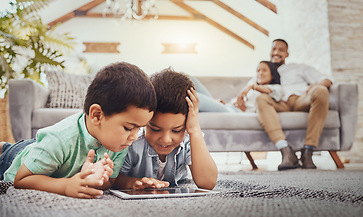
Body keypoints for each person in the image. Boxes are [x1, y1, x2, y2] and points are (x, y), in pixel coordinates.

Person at [0, 62, 156, 198]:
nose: (135, 137)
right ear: (97, 115)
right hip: (17, 159)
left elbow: (110, 182)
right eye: (129, 128)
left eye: (140, 129)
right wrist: (66, 186)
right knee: (13, 151)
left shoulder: (120, 143)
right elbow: (21, 180)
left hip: (52, 158)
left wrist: (95, 179)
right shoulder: (59, 139)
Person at [113, 68, 218, 190]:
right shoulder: (131, 142)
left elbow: (208, 183)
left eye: (177, 130)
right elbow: (114, 178)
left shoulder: (189, 138)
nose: (166, 139)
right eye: (155, 129)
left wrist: (194, 130)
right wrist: (133, 182)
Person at [243, 39, 333, 170]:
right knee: (261, 99)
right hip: (278, 104)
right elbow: (246, 94)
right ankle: (286, 151)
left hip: (300, 99)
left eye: (281, 50)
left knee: (321, 90)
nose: (276, 52)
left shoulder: (298, 68)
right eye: (274, 49)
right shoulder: (262, 72)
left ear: (287, 54)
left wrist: (318, 85)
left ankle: (308, 151)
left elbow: (327, 79)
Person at [192, 61, 283, 113]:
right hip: (229, 107)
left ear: (273, 74)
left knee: (195, 97)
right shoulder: (252, 89)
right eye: (258, 70)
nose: (260, 73)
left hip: (235, 112)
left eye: (264, 70)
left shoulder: (276, 88)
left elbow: (273, 92)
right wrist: (222, 103)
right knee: (191, 79)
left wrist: (252, 86)